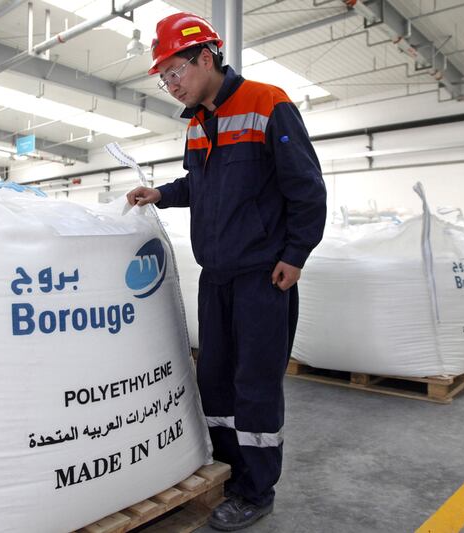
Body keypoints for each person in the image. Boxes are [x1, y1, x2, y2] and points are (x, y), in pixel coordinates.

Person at [126, 12, 327, 532]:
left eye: (176, 72)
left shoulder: (267, 103)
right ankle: (228, 469)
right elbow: (200, 186)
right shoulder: (197, 125)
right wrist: (162, 194)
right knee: (214, 379)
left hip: (263, 275)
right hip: (216, 275)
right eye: (164, 77)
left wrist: (295, 255)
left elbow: (306, 187)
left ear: (206, 57)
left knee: (254, 384)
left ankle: (256, 489)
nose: (171, 85)